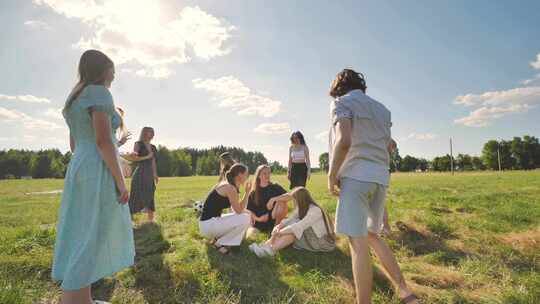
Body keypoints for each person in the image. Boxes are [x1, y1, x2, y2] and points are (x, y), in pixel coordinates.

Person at [327, 69, 418, 304]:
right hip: (379, 178)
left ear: (339, 87)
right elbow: (390, 145)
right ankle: (405, 291)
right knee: (372, 236)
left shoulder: (341, 103)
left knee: (357, 243)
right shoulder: (382, 109)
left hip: (356, 177)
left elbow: (344, 140)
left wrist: (331, 174)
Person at [52, 49, 135, 304]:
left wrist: (113, 142)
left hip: (80, 165)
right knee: (94, 229)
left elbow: (76, 145)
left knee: (81, 227)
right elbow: (101, 140)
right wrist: (120, 181)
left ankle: (81, 298)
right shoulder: (99, 92)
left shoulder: (74, 97)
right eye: (112, 68)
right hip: (96, 167)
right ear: (102, 69)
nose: (114, 73)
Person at [249, 187, 335, 257]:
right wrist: (279, 226)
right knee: (292, 223)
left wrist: (280, 232)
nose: (293, 202)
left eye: (294, 199)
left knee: (294, 230)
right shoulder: (302, 207)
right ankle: (266, 246)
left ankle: (271, 250)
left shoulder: (315, 210)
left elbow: (299, 226)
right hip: (311, 235)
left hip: (321, 241)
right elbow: (289, 219)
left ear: (301, 200)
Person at [199, 163, 252, 255]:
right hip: (209, 225)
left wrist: (251, 213)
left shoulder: (228, 185)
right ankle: (219, 243)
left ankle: (221, 240)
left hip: (208, 223)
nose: (248, 177)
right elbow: (239, 210)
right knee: (246, 218)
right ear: (240, 175)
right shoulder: (230, 188)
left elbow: (237, 208)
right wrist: (247, 193)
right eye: (246, 174)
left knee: (246, 216)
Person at [246, 165, 288, 236]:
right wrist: (259, 219)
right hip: (259, 221)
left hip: (273, 219)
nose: (267, 175)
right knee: (251, 236)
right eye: (264, 173)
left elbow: (290, 196)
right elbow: (250, 210)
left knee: (282, 202)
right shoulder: (253, 192)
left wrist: (273, 199)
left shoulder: (275, 187)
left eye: (269, 173)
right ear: (259, 175)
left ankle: (275, 230)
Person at [128, 127, 158, 222]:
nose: (151, 135)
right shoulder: (138, 144)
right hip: (140, 173)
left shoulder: (153, 147)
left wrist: (155, 174)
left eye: (152, 133)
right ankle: (128, 219)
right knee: (136, 195)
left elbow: (153, 161)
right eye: (149, 133)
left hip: (149, 174)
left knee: (150, 194)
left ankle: (151, 220)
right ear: (144, 133)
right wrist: (146, 156)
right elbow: (134, 158)